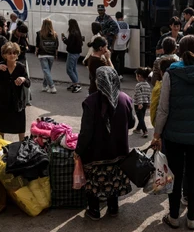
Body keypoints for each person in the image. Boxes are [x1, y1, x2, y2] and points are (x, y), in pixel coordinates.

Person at [152, 35, 194, 230]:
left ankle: (173, 216)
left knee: (175, 174)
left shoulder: (170, 74)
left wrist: (157, 134)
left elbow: (163, 109)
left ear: (179, 51)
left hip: (174, 135)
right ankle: (192, 219)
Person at [75, 66, 135, 221]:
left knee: (94, 181)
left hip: (96, 152)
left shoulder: (90, 102)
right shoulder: (125, 99)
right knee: (113, 180)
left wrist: (78, 150)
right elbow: (132, 123)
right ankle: (113, 208)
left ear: (98, 81)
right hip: (119, 150)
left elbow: (86, 132)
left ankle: (94, 210)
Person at [0, 42, 30, 142]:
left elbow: (28, 83)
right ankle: (1, 146)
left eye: (14, 53)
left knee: (20, 126)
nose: (12, 55)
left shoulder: (20, 67)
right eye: (9, 53)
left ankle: (22, 146)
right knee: (1, 125)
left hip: (17, 101)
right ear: (4, 55)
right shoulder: (0, 66)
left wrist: (23, 79)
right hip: (2, 101)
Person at [150, 58, 178, 127]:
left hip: (165, 127)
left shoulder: (159, 87)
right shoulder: (181, 84)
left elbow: (155, 109)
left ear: (161, 73)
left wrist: (157, 130)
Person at [10, 22, 32, 105]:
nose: (21, 35)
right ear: (17, 30)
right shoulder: (10, 35)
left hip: (22, 60)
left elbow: (27, 46)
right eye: (20, 33)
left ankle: (26, 100)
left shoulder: (23, 36)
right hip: (12, 61)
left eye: (23, 34)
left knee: (25, 79)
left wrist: (24, 47)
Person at [35, 18, 59, 93]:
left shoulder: (39, 33)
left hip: (42, 54)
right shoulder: (54, 34)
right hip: (51, 55)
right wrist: (56, 54)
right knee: (47, 71)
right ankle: (44, 86)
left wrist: (36, 52)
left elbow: (37, 45)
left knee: (46, 71)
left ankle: (52, 86)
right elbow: (56, 45)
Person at [62, 19, 83, 93]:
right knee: (74, 68)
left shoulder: (72, 33)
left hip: (72, 53)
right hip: (77, 53)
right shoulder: (78, 32)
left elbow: (69, 43)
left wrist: (64, 39)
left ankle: (76, 84)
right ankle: (75, 83)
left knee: (69, 70)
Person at [132, 67, 152, 138]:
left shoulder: (138, 85)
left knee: (140, 118)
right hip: (145, 103)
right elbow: (149, 95)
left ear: (139, 76)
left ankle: (145, 131)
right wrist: (149, 103)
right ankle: (138, 129)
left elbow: (139, 95)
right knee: (142, 117)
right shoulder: (147, 85)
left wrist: (139, 103)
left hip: (138, 104)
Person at [111, 11, 130, 79]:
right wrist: (126, 44)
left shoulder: (115, 24)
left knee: (113, 59)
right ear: (122, 17)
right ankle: (121, 74)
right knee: (122, 60)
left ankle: (116, 72)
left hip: (116, 45)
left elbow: (114, 35)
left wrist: (112, 46)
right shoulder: (126, 24)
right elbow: (128, 36)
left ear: (116, 17)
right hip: (123, 46)